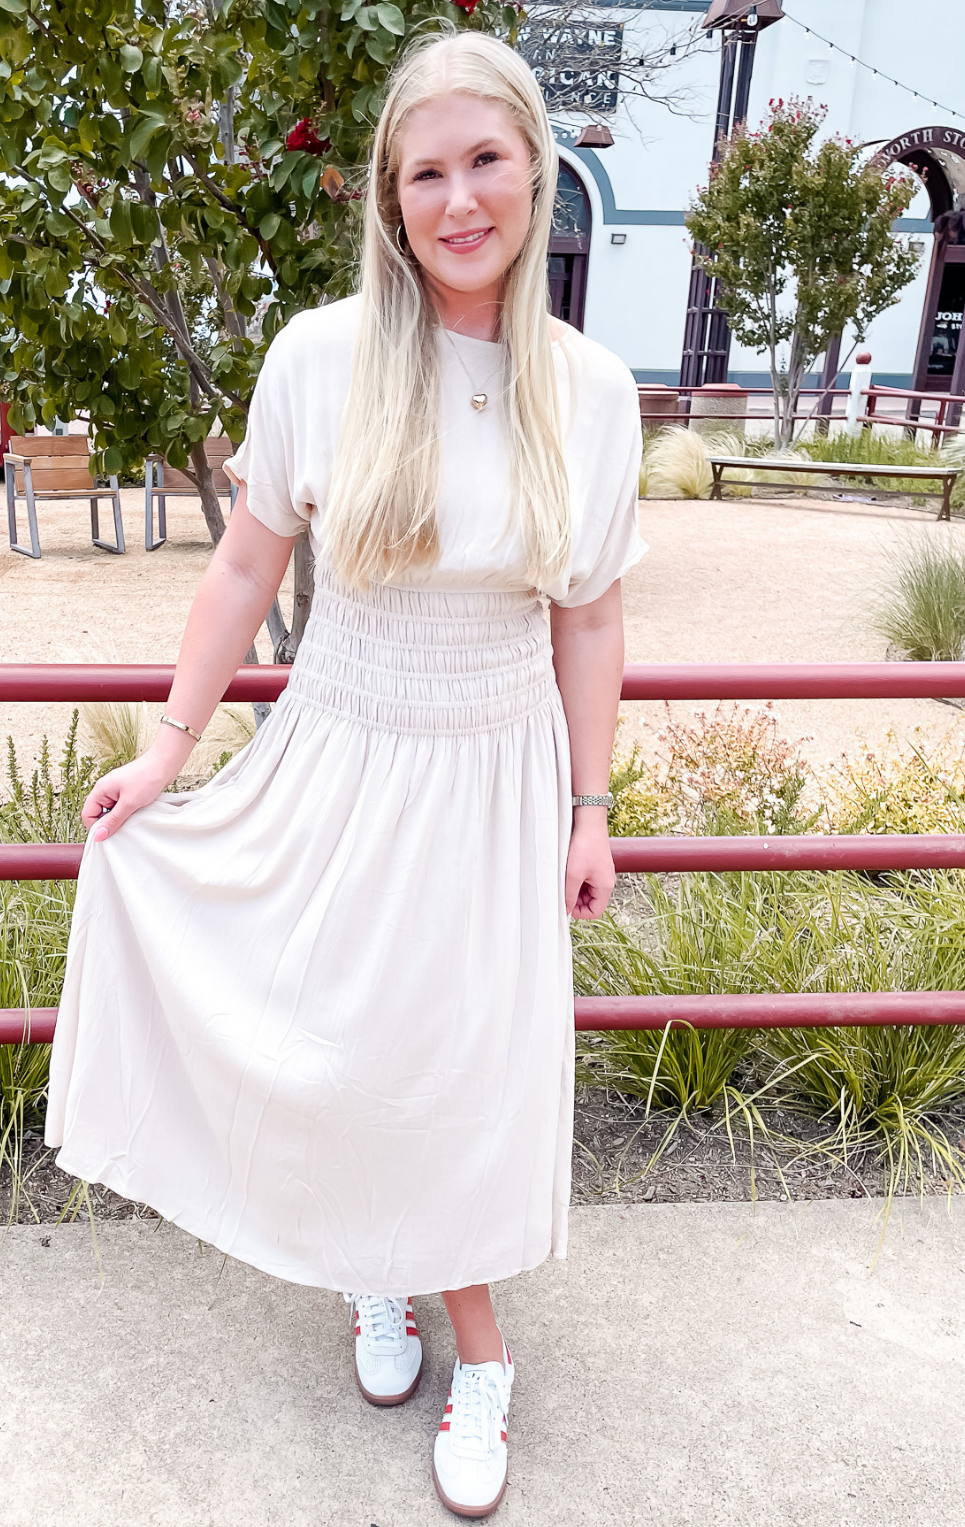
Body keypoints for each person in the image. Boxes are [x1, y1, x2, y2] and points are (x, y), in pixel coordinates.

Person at [44, 27, 644, 1519]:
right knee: (337, 1032)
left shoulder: (593, 389)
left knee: (467, 1064)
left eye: (485, 161)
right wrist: (165, 750)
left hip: (498, 770)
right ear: (388, 195)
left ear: (535, 171)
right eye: (424, 171)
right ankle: (377, 1277)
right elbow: (248, 561)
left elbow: (593, 613)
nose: (458, 200)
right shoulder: (321, 355)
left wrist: (590, 802)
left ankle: (481, 1350)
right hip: (342, 739)